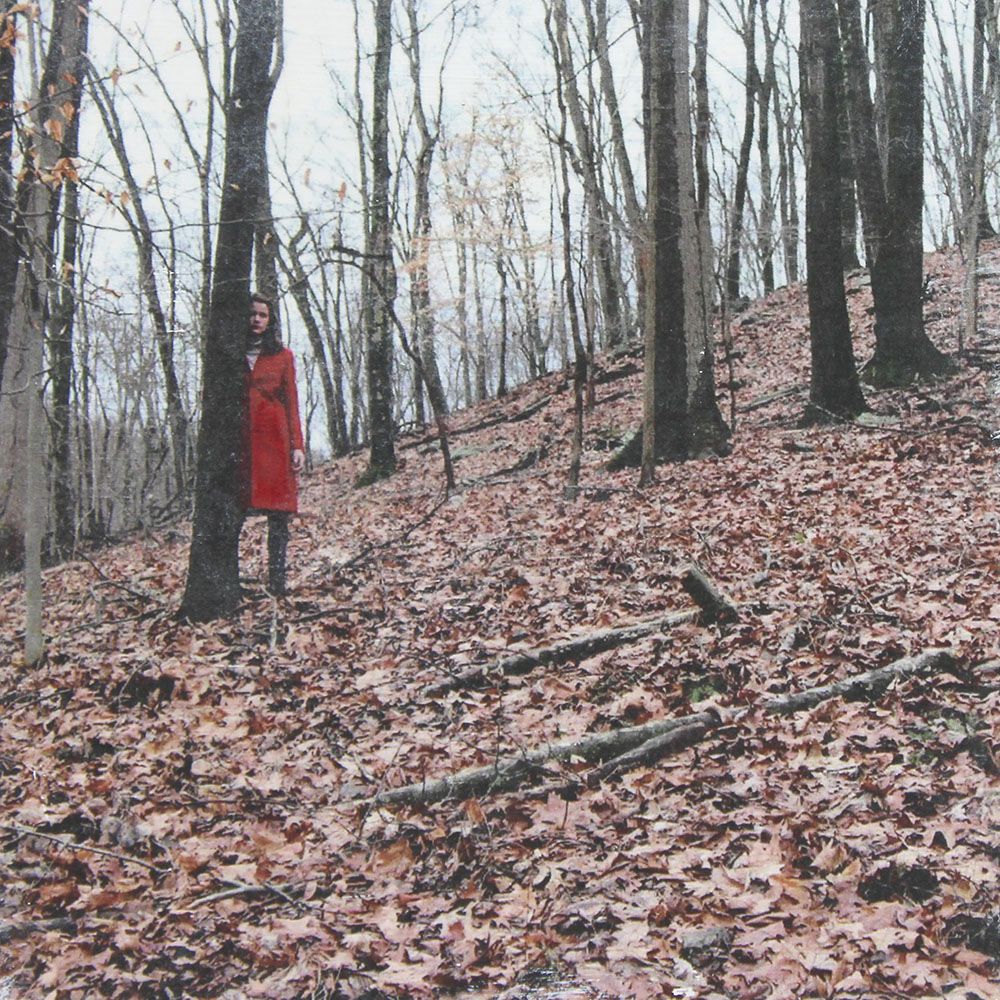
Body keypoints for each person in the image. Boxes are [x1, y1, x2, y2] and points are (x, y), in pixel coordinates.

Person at [240, 292, 305, 596]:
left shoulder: (282, 356)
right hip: (240, 442)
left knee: (278, 515)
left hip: (274, 442)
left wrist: (297, 445)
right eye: (252, 313)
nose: (256, 319)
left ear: (270, 320)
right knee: (234, 511)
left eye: (263, 315)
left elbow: (291, 401)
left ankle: (277, 583)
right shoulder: (232, 352)